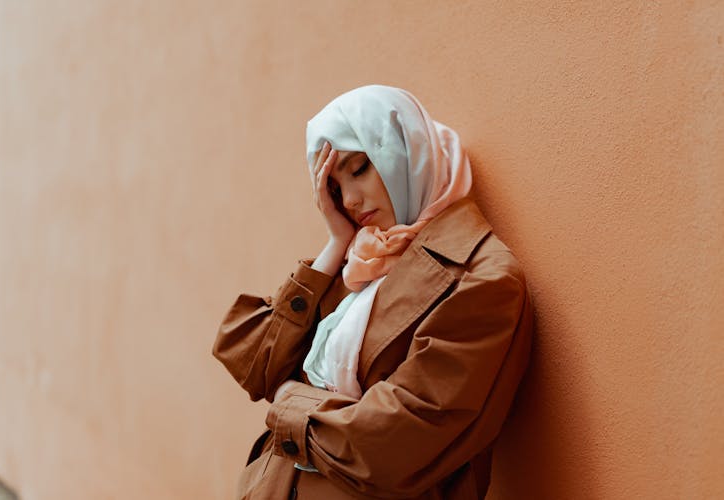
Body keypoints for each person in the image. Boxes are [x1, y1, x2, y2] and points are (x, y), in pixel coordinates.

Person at [212, 84, 534, 499]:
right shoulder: (363, 262)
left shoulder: (482, 279)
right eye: (333, 187)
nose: (349, 199)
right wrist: (334, 249)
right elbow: (258, 365)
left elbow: (395, 440)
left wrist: (290, 405)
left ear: (405, 150)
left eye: (360, 167)